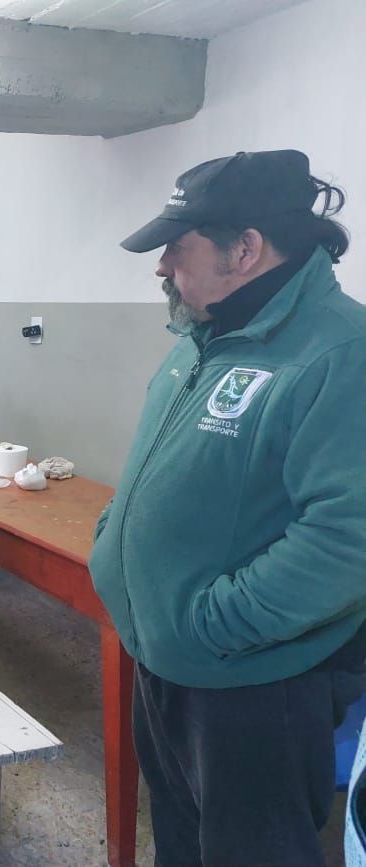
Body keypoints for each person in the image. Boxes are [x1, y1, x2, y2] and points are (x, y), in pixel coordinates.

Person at [90, 149, 366, 867]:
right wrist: (114, 543)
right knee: (182, 843)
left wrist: (212, 623)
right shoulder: (201, 337)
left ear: (244, 249)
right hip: (166, 660)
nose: (161, 267)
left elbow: (346, 541)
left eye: (177, 249)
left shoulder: (341, 352)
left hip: (251, 686)